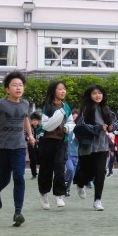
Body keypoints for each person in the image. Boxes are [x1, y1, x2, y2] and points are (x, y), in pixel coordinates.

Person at [0, 71, 35, 227]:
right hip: (3, 147)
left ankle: (17, 213)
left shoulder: (25, 103)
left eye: (20, 85)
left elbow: (25, 119)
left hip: (19, 146)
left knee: (19, 177)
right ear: (7, 89)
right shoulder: (0, 104)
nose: (18, 88)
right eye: (14, 85)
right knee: (5, 178)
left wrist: (30, 135)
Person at [74, 84, 117, 211]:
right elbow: (81, 126)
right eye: (94, 93)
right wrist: (99, 127)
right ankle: (80, 183)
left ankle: (97, 200)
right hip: (87, 145)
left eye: (99, 93)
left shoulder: (106, 109)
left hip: (102, 145)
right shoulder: (86, 109)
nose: (97, 95)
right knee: (87, 172)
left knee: (100, 172)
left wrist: (111, 127)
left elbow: (113, 123)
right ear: (89, 95)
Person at [37, 81, 75, 210]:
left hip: (62, 141)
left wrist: (67, 128)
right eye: (60, 89)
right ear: (54, 91)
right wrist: (59, 114)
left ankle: (59, 195)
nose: (63, 91)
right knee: (46, 169)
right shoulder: (47, 106)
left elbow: (71, 122)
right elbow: (46, 125)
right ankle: (43, 193)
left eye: (64, 89)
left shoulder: (66, 107)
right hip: (47, 141)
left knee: (60, 167)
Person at [64, 109, 80, 197]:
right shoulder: (67, 128)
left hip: (76, 154)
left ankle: (67, 190)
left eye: (76, 118)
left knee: (72, 174)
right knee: (70, 169)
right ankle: (64, 181)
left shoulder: (80, 129)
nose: (74, 120)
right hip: (67, 153)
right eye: (73, 118)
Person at [27, 112, 41, 180]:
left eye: (36, 120)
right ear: (31, 121)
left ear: (38, 121)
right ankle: (34, 174)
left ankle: (41, 174)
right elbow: (25, 136)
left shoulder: (41, 128)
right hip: (31, 147)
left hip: (40, 148)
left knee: (41, 161)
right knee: (32, 161)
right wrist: (27, 138)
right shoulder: (29, 128)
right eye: (33, 120)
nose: (35, 121)